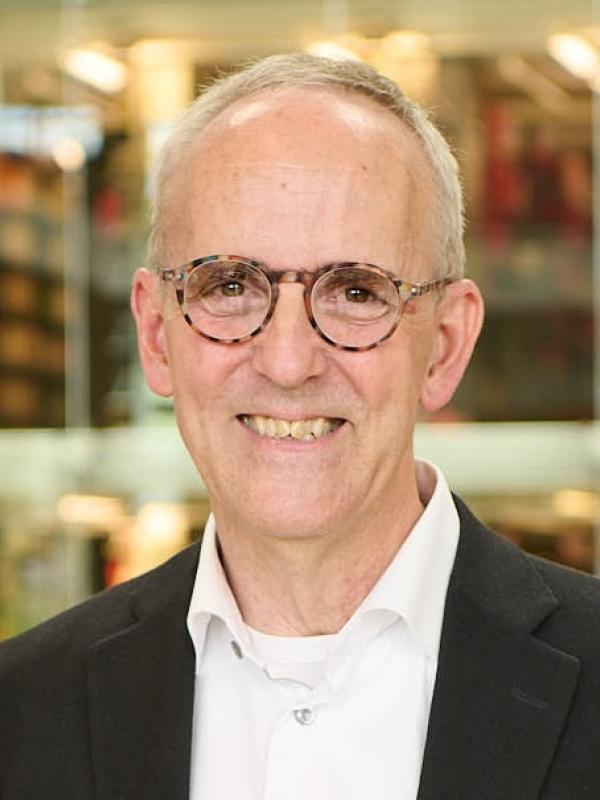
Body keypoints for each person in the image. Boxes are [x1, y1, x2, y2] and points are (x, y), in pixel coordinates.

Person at [1, 53, 599, 800]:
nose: (288, 362)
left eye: (355, 290)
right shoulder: (21, 712)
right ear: (157, 336)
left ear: (445, 346)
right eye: (229, 285)